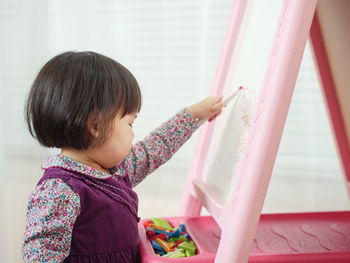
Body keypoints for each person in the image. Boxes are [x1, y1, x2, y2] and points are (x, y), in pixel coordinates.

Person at [22, 51, 223, 262]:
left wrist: (193, 115)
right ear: (95, 125)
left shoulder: (112, 171)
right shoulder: (59, 190)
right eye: (130, 123)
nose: (132, 133)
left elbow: (153, 148)